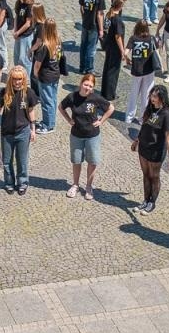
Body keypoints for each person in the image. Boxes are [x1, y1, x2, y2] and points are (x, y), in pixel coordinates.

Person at [59, 72, 116, 201]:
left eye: (90, 86)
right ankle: (75, 185)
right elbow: (61, 107)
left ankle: (89, 187)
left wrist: (101, 121)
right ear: (80, 84)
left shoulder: (95, 98)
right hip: (76, 135)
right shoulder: (72, 97)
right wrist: (69, 120)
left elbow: (111, 108)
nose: (87, 88)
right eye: (85, 85)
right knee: (76, 161)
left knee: (92, 161)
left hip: (92, 136)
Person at [132, 84, 169, 214]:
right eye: (152, 95)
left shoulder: (167, 113)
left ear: (162, 97)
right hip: (144, 147)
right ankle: (145, 200)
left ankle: (152, 202)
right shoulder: (150, 108)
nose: (152, 98)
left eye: (155, 96)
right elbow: (144, 126)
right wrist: (137, 140)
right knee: (146, 175)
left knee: (154, 176)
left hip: (156, 150)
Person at [0, 66, 39, 195]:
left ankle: (22, 183)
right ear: (10, 79)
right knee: (6, 161)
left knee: (22, 160)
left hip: (23, 131)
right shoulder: (4, 92)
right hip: (7, 132)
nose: (17, 81)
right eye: (14, 79)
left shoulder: (29, 93)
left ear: (23, 79)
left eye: (20, 79)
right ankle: (9, 183)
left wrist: (33, 129)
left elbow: (31, 111)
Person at [31, 21, 66, 132]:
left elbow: (37, 64)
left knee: (47, 101)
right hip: (55, 73)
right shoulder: (58, 42)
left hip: (45, 76)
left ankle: (48, 125)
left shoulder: (44, 46)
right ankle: (51, 121)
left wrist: (36, 75)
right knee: (53, 100)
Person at [125, 20, 159, 123]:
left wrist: (127, 59)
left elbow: (125, 52)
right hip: (149, 70)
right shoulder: (151, 38)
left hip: (136, 70)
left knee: (134, 94)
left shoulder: (133, 38)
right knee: (147, 95)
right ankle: (143, 118)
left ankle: (129, 117)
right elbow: (157, 50)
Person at [76, 0, 108, 73]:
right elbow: (100, 14)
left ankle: (81, 67)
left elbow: (82, 8)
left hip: (85, 23)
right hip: (94, 25)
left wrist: (84, 17)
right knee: (91, 48)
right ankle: (89, 68)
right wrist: (101, 29)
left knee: (83, 46)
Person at [101, 0, 127, 103]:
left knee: (107, 68)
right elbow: (118, 36)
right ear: (120, 6)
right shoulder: (118, 20)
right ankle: (110, 94)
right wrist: (122, 51)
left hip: (108, 45)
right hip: (115, 48)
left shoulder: (108, 15)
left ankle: (104, 91)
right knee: (113, 71)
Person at [12, 0, 37, 70]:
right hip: (18, 34)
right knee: (16, 57)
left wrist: (18, 32)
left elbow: (28, 23)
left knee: (25, 59)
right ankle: (17, 74)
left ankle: (27, 80)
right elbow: (16, 17)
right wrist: (15, 31)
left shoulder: (29, 6)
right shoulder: (18, 2)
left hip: (26, 35)